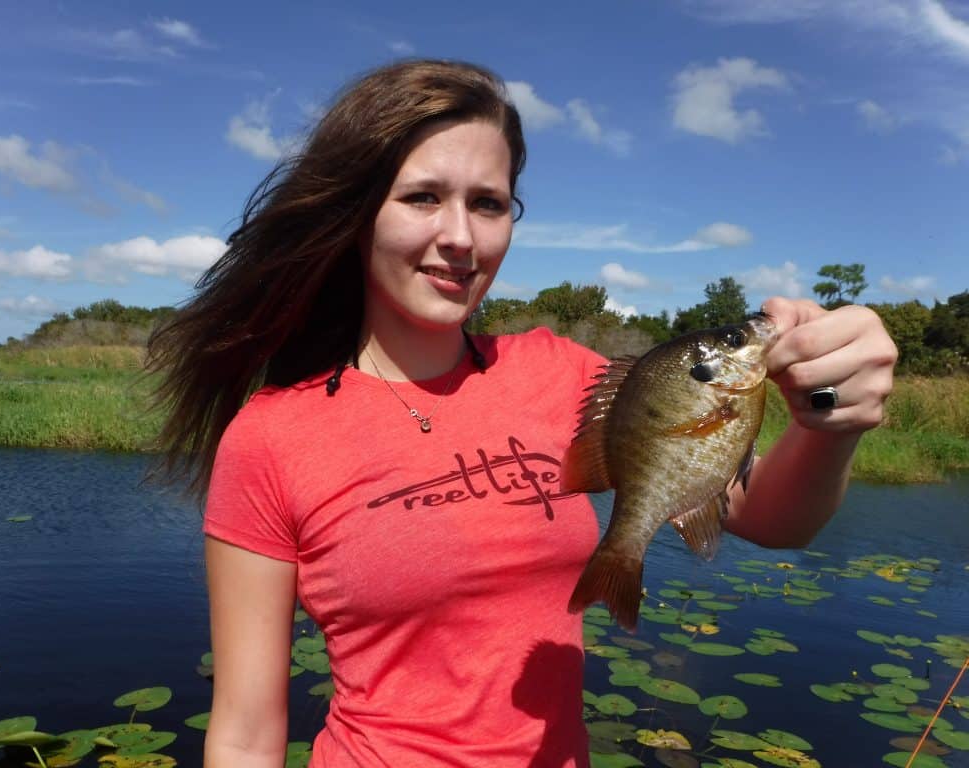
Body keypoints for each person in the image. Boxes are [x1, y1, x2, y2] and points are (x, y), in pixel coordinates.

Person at [146, 59, 898, 768]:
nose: (461, 238)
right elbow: (245, 732)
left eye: (488, 204)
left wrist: (829, 425)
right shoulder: (273, 436)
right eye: (422, 197)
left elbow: (773, 519)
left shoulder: (564, 374)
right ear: (357, 215)